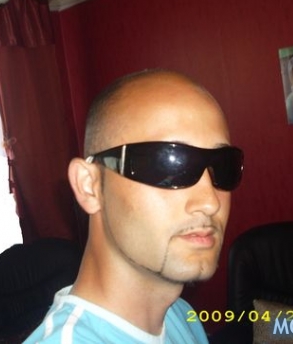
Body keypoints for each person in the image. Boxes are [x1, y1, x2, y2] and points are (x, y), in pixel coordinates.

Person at [23, 69, 244, 343]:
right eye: (167, 164)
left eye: (223, 166)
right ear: (90, 186)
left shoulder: (180, 315)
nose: (210, 202)